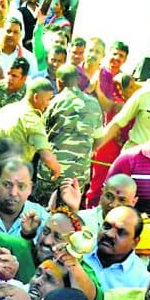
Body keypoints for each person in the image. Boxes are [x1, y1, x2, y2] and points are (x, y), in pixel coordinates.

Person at [39, 63, 104, 200]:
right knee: (70, 214)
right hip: (78, 173)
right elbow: (99, 138)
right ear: (78, 81)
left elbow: (41, 134)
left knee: (45, 213)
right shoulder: (94, 104)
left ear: (59, 82)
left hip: (52, 172)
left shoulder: (53, 103)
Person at [82, 205, 150, 292]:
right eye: (107, 226)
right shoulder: (80, 248)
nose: (109, 234)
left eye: (121, 232)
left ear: (135, 242)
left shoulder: (141, 281)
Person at [0, 158, 48, 238]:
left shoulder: (43, 220)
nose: (13, 193)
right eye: (7, 185)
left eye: (21, 186)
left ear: (30, 188)